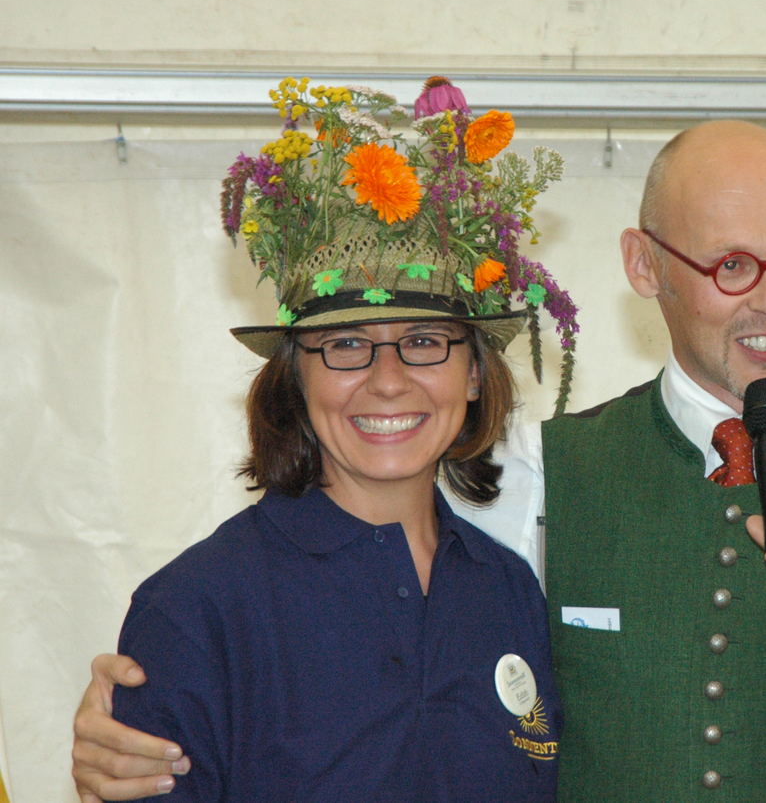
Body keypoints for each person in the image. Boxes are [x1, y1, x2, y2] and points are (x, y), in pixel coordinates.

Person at [74, 121, 766, 802]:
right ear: (645, 267)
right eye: (731, 265)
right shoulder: (526, 477)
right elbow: (322, 573)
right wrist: (129, 728)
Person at [70, 77, 577, 802]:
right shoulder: (197, 608)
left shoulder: (508, 589)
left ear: (473, 374)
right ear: (296, 377)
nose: (388, 381)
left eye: (424, 341)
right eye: (346, 345)